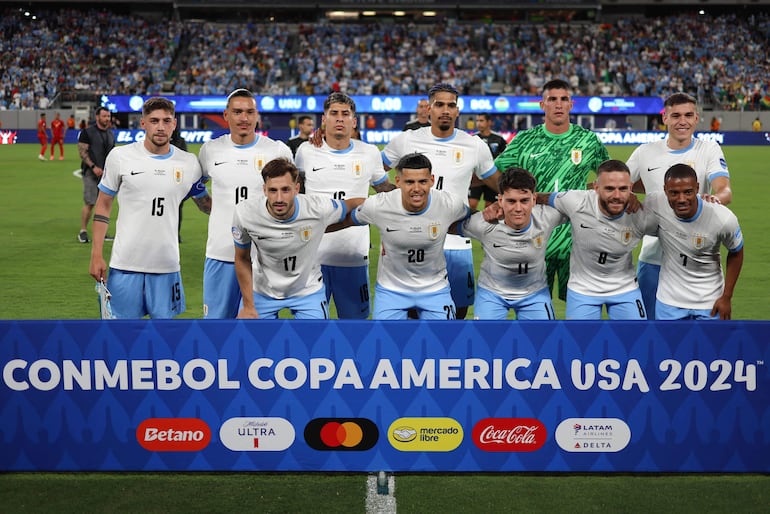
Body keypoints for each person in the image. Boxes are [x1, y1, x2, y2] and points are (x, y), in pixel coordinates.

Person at [382, 83, 500, 319]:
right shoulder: (406, 140)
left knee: (457, 314)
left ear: (457, 111)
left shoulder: (474, 146)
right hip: (413, 241)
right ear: (429, 109)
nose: (445, 110)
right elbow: (374, 171)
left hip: (456, 243)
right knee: (411, 316)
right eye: (439, 105)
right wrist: (393, 205)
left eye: (451, 105)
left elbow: (499, 184)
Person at [494, 78, 610, 303]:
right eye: (552, 99)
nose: (558, 104)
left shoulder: (588, 141)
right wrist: (507, 200)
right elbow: (496, 173)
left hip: (577, 239)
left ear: (571, 104)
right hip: (535, 238)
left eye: (563, 99)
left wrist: (583, 193)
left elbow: (608, 181)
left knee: (580, 306)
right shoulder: (525, 140)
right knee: (533, 305)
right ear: (542, 105)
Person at [89, 97, 204, 319]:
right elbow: (103, 206)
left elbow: (206, 204)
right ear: (143, 123)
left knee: (165, 340)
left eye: (166, 121)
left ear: (174, 124)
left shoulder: (189, 163)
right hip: (124, 265)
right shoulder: (120, 157)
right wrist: (96, 254)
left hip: (167, 267)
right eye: (154, 120)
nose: (160, 127)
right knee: (120, 338)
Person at [626, 92, 732, 319]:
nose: (682, 121)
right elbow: (619, 185)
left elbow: (724, 188)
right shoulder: (645, 152)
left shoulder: (709, 149)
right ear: (664, 118)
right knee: (649, 332)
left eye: (688, 115)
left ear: (696, 119)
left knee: (703, 339)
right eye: (675, 115)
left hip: (697, 259)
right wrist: (628, 195)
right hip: (654, 258)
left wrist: (717, 198)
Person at [295, 92, 394, 319]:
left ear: (354, 121)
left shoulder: (369, 153)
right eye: (334, 114)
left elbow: (384, 192)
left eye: (345, 114)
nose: (340, 119)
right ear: (324, 119)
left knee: (355, 328)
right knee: (311, 329)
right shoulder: (306, 152)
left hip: (353, 256)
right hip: (312, 257)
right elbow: (295, 196)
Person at [197, 88, 293, 319]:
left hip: (262, 259)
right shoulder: (210, 150)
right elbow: (196, 188)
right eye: (238, 112)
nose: (244, 118)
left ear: (257, 115)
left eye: (250, 112)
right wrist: (216, 210)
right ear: (226, 114)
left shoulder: (277, 150)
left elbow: (293, 196)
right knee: (216, 329)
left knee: (259, 332)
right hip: (220, 254)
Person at [232, 158, 363, 319]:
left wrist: (388, 206)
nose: (279, 198)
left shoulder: (317, 208)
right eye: (273, 190)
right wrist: (248, 306)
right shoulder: (245, 213)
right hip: (263, 292)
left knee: (314, 343)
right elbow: (242, 258)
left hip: (307, 291)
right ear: (264, 190)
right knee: (253, 341)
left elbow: (352, 204)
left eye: (286, 190)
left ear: (297, 189)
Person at [345, 153, 470, 320]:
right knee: (386, 343)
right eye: (410, 182)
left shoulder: (448, 204)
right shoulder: (380, 205)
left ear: (432, 180)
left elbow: (475, 218)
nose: (416, 189)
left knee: (442, 342)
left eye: (422, 181)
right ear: (398, 182)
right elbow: (347, 220)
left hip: (435, 289)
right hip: (391, 290)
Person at [543, 160, 653, 320]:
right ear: (596, 187)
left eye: (623, 189)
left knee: (635, 340)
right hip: (583, 289)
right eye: (609, 188)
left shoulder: (641, 214)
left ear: (631, 188)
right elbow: (539, 198)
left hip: (624, 288)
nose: (617, 195)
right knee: (580, 343)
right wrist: (501, 205)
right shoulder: (576, 201)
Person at [456, 168, 565, 320]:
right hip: (491, 294)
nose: (518, 208)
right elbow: (449, 226)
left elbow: (580, 207)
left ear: (534, 199)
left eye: (524, 200)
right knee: (486, 342)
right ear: (500, 200)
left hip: (535, 294)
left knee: (542, 341)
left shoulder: (547, 216)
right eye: (511, 201)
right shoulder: (484, 223)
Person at [643, 164, 743, 320]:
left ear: (697, 188)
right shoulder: (655, 204)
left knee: (710, 345)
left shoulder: (722, 218)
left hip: (710, 303)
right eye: (674, 193)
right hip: (669, 303)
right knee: (670, 345)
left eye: (688, 192)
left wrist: (726, 297)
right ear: (665, 190)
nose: (681, 199)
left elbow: (736, 252)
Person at [77, 107, 115, 244]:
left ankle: (102, 232)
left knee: (104, 204)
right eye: (104, 116)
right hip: (90, 173)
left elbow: (113, 155)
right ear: (97, 117)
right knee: (90, 202)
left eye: (108, 116)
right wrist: (93, 167)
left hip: (106, 175)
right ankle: (83, 231)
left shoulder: (110, 134)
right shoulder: (87, 132)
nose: (107, 119)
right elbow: (82, 152)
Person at [468, 113, 507, 210]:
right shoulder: (473, 139)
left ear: (489, 122)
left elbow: (505, 157)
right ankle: (471, 224)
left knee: (490, 206)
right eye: (477, 121)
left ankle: (485, 225)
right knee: (471, 204)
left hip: (491, 177)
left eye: (481, 121)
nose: (478, 123)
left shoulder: (499, 139)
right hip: (476, 177)